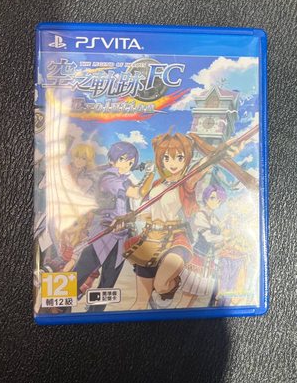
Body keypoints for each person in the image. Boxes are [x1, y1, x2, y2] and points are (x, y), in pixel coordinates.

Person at [125, 132, 206, 310]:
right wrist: (128, 218)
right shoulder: (157, 184)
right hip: (150, 238)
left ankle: (175, 284)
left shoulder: (186, 183)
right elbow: (146, 211)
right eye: (167, 158)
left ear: (187, 158)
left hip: (175, 237)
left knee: (161, 285)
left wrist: (207, 146)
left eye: (179, 157)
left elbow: (205, 165)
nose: (172, 163)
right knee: (140, 303)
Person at [72, 141, 140, 311]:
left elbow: (134, 203)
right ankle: (58, 309)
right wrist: (151, 175)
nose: (127, 164)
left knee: (107, 285)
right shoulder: (108, 178)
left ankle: (94, 316)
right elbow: (135, 193)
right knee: (79, 274)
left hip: (120, 239)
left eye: (131, 161)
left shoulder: (126, 180)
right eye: (123, 159)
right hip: (103, 235)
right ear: (112, 160)